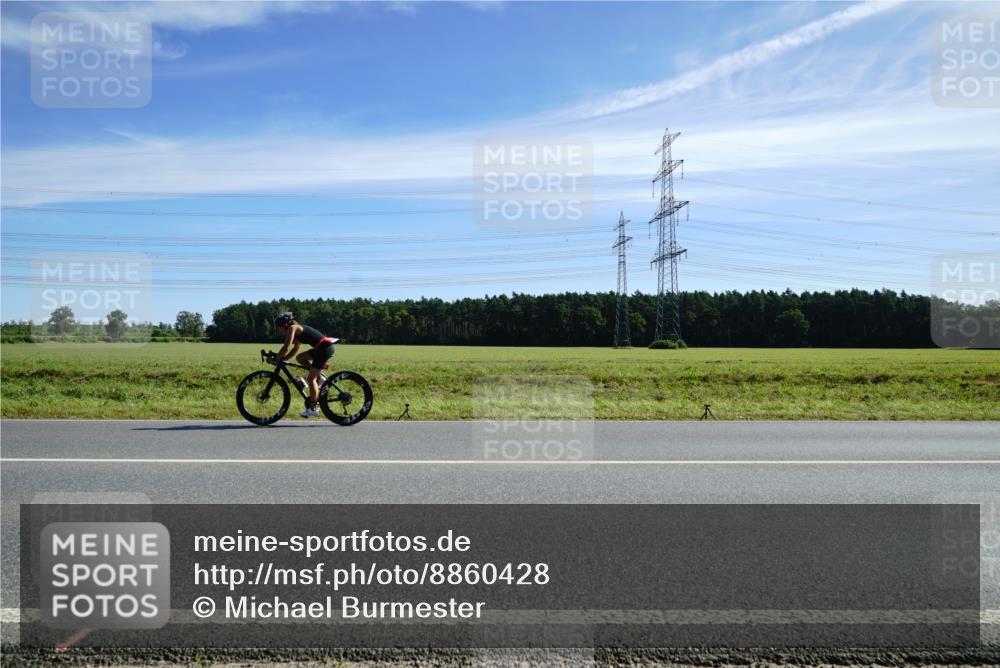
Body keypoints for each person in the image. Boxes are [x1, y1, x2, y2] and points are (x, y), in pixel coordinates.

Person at [273, 312, 336, 418]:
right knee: (300, 358)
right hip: (322, 348)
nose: (279, 330)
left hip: (324, 349)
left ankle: (313, 409)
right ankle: (319, 377)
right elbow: (295, 349)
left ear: (284, 325)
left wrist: (277, 357)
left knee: (311, 379)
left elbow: (286, 346)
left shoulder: (292, 328)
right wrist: (283, 359)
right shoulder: (297, 330)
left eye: (279, 328)